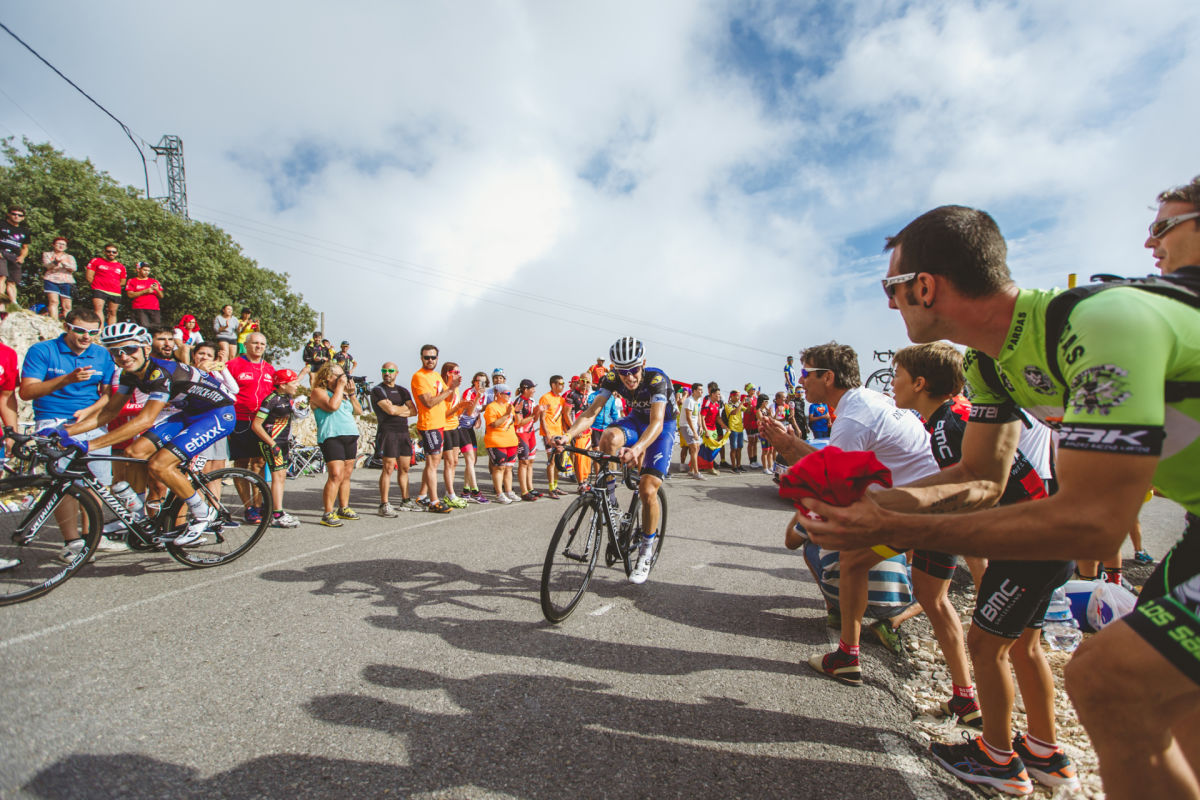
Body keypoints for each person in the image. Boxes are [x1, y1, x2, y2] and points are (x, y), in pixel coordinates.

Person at [799, 194, 1200, 799]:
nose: (888, 303)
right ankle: (1034, 753)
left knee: (1108, 678)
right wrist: (874, 510)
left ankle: (1015, 757)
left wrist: (895, 528)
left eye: (891, 288)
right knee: (1180, 706)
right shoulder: (990, 364)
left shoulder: (1100, 322)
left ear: (925, 287)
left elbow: (1094, 525)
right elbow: (979, 477)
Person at [890, 342, 1071, 793]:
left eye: (896, 375)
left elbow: (972, 492)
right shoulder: (961, 413)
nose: (891, 383)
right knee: (1026, 647)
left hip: (1024, 546)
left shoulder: (947, 424)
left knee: (986, 647)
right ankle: (1045, 752)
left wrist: (898, 519)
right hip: (1048, 535)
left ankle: (997, 759)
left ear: (919, 383)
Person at [759, 342, 939, 691]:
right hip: (921, 509)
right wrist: (791, 446)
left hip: (916, 516)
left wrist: (789, 447)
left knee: (821, 542)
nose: (800, 381)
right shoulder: (866, 401)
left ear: (827, 377)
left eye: (806, 374)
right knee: (858, 560)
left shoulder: (853, 418)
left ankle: (850, 649)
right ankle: (858, 645)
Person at [61, 322, 237, 547]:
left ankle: (203, 514)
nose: (124, 356)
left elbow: (144, 421)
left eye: (129, 349)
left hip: (217, 414)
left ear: (145, 348)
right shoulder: (129, 374)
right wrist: (64, 431)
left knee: (159, 465)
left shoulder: (159, 373)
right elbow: (109, 412)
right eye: (116, 352)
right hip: (188, 412)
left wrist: (90, 445)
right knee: (134, 452)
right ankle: (138, 516)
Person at [552, 337, 675, 584]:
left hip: (661, 427)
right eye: (622, 372)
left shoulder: (657, 379)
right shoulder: (611, 378)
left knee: (647, 489)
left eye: (634, 370)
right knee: (608, 438)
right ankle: (610, 500)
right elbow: (591, 412)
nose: (629, 377)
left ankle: (646, 551)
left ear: (643, 364)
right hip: (636, 421)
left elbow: (657, 422)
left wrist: (637, 449)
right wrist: (567, 436)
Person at [19, 309, 120, 559]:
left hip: (91, 421)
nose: (87, 337)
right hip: (54, 421)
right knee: (65, 484)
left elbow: (108, 394)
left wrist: (90, 411)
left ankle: (93, 536)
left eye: (93, 333)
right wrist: (66, 380)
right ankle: (72, 542)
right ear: (67, 327)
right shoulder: (43, 350)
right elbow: (27, 392)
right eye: (80, 331)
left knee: (96, 482)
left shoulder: (102, 354)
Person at [226, 331, 275, 521]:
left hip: (261, 422)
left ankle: (258, 504)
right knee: (241, 463)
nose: (258, 347)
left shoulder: (269, 369)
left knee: (259, 463)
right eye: (255, 343)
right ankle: (248, 507)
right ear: (246, 345)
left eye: (262, 344)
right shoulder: (233, 365)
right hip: (240, 420)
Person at [310, 361, 363, 527]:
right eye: (340, 375)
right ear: (328, 376)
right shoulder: (318, 392)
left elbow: (359, 411)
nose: (343, 378)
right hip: (332, 436)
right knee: (335, 475)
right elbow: (332, 406)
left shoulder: (343, 393)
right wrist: (340, 386)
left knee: (346, 475)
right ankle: (328, 512)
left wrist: (352, 394)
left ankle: (343, 507)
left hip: (350, 435)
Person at [250, 368, 301, 529]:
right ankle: (277, 515)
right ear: (283, 385)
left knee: (281, 477)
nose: (297, 385)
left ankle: (275, 510)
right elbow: (256, 425)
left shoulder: (288, 397)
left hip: (283, 442)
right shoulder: (271, 400)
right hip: (272, 442)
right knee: (277, 477)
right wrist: (272, 444)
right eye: (293, 383)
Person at [410, 344, 459, 514]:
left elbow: (447, 399)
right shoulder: (419, 377)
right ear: (421, 358)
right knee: (432, 463)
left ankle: (423, 495)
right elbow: (428, 402)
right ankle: (434, 501)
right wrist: (450, 389)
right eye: (427, 357)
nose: (430, 360)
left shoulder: (436, 375)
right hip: (429, 424)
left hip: (439, 424)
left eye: (433, 357)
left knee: (434, 462)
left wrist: (452, 386)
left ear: (437, 358)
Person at [371, 361, 419, 515]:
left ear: (396, 373)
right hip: (388, 432)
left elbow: (414, 411)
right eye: (384, 370)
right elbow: (390, 411)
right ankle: (384, 504)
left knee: (404, 468)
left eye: (391, 371)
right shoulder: (378, 390)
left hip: (403, 432)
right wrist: (402, 408)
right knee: (388, 468)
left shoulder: (403, 391)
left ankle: (406, 500)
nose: (387, 373)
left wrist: (396, 408)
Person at [439, 361, 470, 509]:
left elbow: (456, 413)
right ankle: (450, 494)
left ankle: (449, 492)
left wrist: (462, 407)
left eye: (459, 372)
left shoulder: (456, 389)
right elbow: (445, 414)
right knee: (449, 461)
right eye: (455, 372)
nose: (458, 375)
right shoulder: (445, 388)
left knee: (455, 461)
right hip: (445, 427)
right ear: (448, 373)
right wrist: (458, 406)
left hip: (455, 426)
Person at [455, 372, 490, 504]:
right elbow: (469, 411)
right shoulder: (469, 392)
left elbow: (478, 411)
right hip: (460, 426)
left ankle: (466, 490)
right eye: (478, 381)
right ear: (474, 382)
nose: (481, 384)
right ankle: (475, 491)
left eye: (483, 382)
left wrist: (478, 418)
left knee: (472, 461)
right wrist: (477, 398)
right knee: (469, 459)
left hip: (469, 428)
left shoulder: (484, 395)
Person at [483, 384, 518, 503]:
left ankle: (509, 491)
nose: (509, 396)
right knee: (499, 468)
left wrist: (519, 412)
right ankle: (499, 493)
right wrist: (506, 414)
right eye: (507, 393)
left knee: (509, 468)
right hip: (496, 442)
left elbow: (515, 422)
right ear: (499, 394)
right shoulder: (491, 407)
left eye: (510, 393)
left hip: (511, 441)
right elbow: (494, 424)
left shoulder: (510, 406)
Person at [539, 376, 569, 498]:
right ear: (553, 385)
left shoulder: (562, 399)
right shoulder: (545, 398)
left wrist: (566, 433)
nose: (562, 386)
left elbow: (563, 418)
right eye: (560, 383)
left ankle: (555, 486)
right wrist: (547, 435)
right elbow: (542, 418)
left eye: (563, 383)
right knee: (551, 462)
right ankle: (551, 488)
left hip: (559, 434)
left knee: (558, 462)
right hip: (550, 435)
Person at [513, 379, 542, 501]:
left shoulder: (532, 401)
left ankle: (530, 488)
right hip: (521, 433)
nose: (534, 390)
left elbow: (534, 420)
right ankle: (524, 491)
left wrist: (538, 412)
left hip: (530, 432)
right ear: (525, 389)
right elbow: (519, 422)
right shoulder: (519, 401)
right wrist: (533, 415)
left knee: (530, 462)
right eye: (532, 388)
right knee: (523, 462)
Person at [85, 244, 125, 325]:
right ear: (104, 252)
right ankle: (100, 330)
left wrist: (114, 286)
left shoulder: (121, 266)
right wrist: (96, 285)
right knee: (98, 309)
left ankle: (111, 331)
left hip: (115, 291)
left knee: (112, 312)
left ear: (117, 253)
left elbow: (123, 281)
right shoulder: (96, 261)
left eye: (114, 252)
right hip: (99, 289)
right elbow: (89, 276)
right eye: (108, 251)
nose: (111, 253)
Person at [0, 206, 30, 310]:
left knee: (12, 281)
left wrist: (22, 257)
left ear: (23, 218)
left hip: (15, 256)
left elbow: (25, 247)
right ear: (8, 214)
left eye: (20, 215)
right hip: (2, 253)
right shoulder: (1, 224)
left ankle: (14, 304)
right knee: (2, 276)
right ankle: (1, 300)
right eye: (14, 214)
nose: (16, 216)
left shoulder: (24, 231)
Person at [41, 236, 76, 320]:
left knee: (67, 305)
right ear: (53, 245)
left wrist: (64, 263)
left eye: (63, 244)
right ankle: (55, 321)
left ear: (66, 247)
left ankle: (68, 323)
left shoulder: (70, 257)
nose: (61, 246)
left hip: (67, 281)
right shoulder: (47, 254)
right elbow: (47, 266)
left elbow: (74, 268)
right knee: (54, 301)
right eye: (59, 243)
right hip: (51, 279)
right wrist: (55, 262)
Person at [125, 262, 163, 329]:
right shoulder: (132, 281)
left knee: (157, 329)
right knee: (144, 328)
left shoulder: (154, 281)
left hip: (154, 309)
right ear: (138, 269)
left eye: (148, 271)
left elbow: (161, 296)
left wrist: (157, 289)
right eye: (145, 270)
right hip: (140, 308)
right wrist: (145, 291)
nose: (147, 272)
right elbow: (130, 295)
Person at [680, 382, 704, 480]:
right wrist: (694, 432)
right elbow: (688, 418)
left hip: (695, 426)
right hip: (686, 426)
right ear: (694, 391)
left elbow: (698, 414)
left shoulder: (698, 401)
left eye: (702, 390)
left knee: (697, 448)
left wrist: (700, 426)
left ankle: (691, 470)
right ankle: (696, 473)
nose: (702, 391)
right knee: (694, 448)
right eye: (699, 390)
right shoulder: (689, 401)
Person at [724, 390, 746, 473]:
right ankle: (734, 466)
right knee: (734, 448)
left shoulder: (738, 404)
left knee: (740, 448)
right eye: (736, 395)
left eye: (739, 396)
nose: (738, 397)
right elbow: (734, 412)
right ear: (732, 396)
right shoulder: (728, 405)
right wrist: (741, 403)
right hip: (732, 428)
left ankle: (739, 465)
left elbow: (748, 411)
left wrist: (749, 404)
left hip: (740, 428)